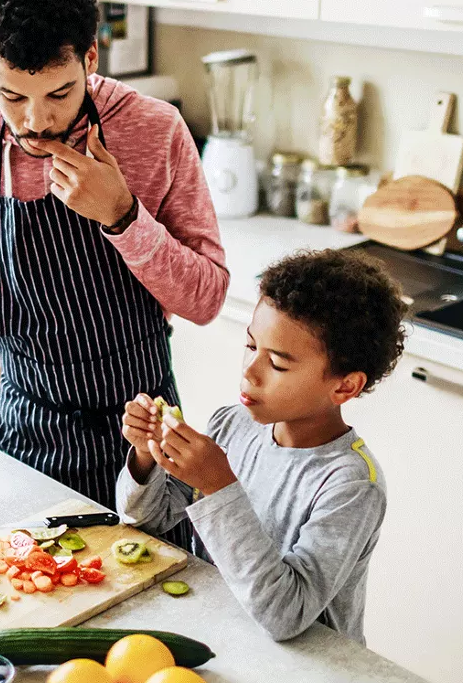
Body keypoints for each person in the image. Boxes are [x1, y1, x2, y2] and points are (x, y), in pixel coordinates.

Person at [0, 0, 227, 513]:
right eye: (13, 97)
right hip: (27, 424)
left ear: (90, 59)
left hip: (143, 432)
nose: (36, 121)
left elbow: (206, 300)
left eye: (59, 94)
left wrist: (123, 216)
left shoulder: (155, 131)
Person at [118, 250, 409, 643]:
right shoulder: (231, 425)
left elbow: (285, 614)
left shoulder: (351, 486)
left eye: (278, 364)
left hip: (312, 674)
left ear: (344, 386)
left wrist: (219, 485)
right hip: (223, 639)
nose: (249, 372)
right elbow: (147, 523)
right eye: (252, 347)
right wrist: (145, 456)